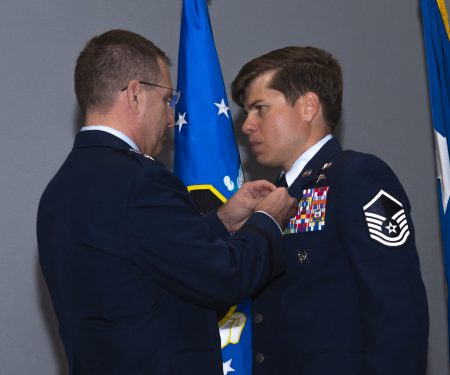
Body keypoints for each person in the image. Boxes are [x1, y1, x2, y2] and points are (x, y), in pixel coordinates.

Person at [37, 29, 297, 375]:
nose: (172, 117)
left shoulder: (58, 190)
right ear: (134, 95)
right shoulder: (140, 180)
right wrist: (267, 219)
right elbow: (227, 277)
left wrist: (222, 219)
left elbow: (144, 259)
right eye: (166, 100)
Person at [231, 46, 429, 375]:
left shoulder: (357, 177)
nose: (247, 126)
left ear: (309, 106)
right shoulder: (270, 199)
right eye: (247, 113)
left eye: (260, 109)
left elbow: (397, 309)